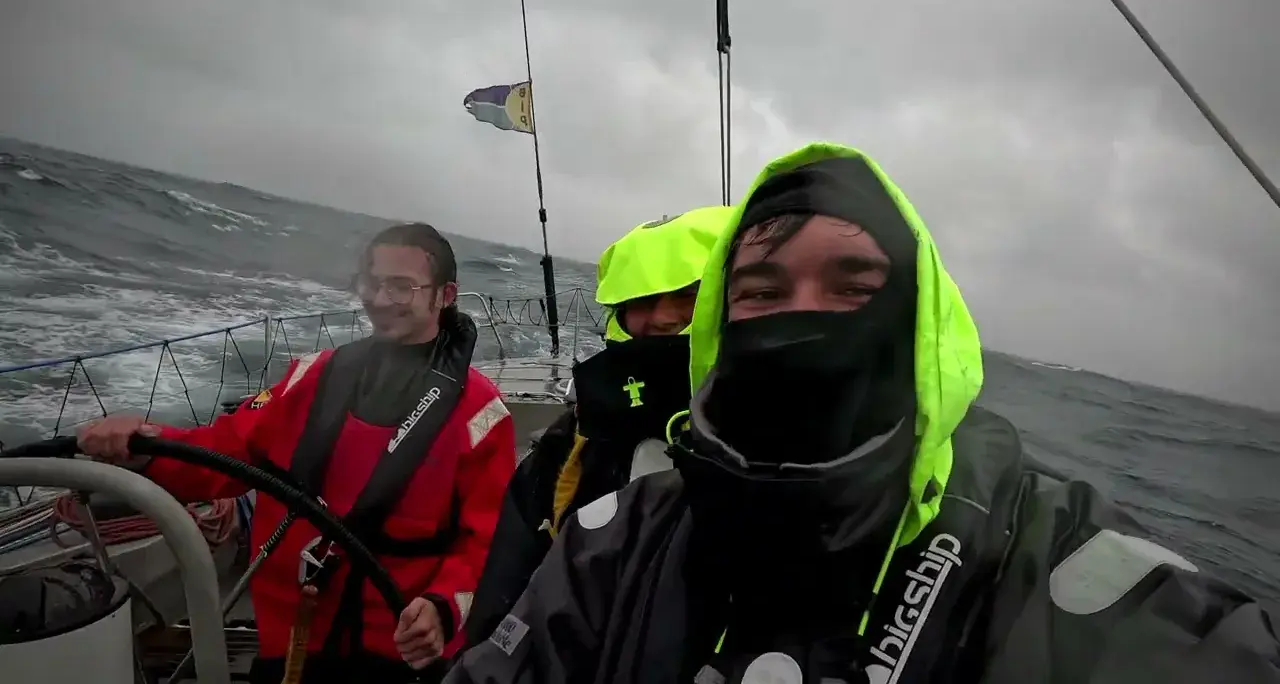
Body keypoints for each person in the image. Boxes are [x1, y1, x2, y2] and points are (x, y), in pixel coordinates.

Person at [445, 143, 1280, 684]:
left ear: (921, 320)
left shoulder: (1054, 557)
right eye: (762, 293)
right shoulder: (618, 538)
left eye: (853, 287)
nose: (801, 319)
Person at [77, 223, 517, 684]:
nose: (380, 300)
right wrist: (143, 446)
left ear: (446, 296)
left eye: (402, 287)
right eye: (372, 282)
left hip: (397, 655)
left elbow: (489, 544)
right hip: (289, 647)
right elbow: (223, 453)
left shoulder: (480, 416)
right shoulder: (311, 378)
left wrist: (443, 607)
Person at [461, 205, 733, 649]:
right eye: (642, 302)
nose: (663, 318)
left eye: (690, 295)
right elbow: (509, 586)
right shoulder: (576, 438)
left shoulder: (786, 443)